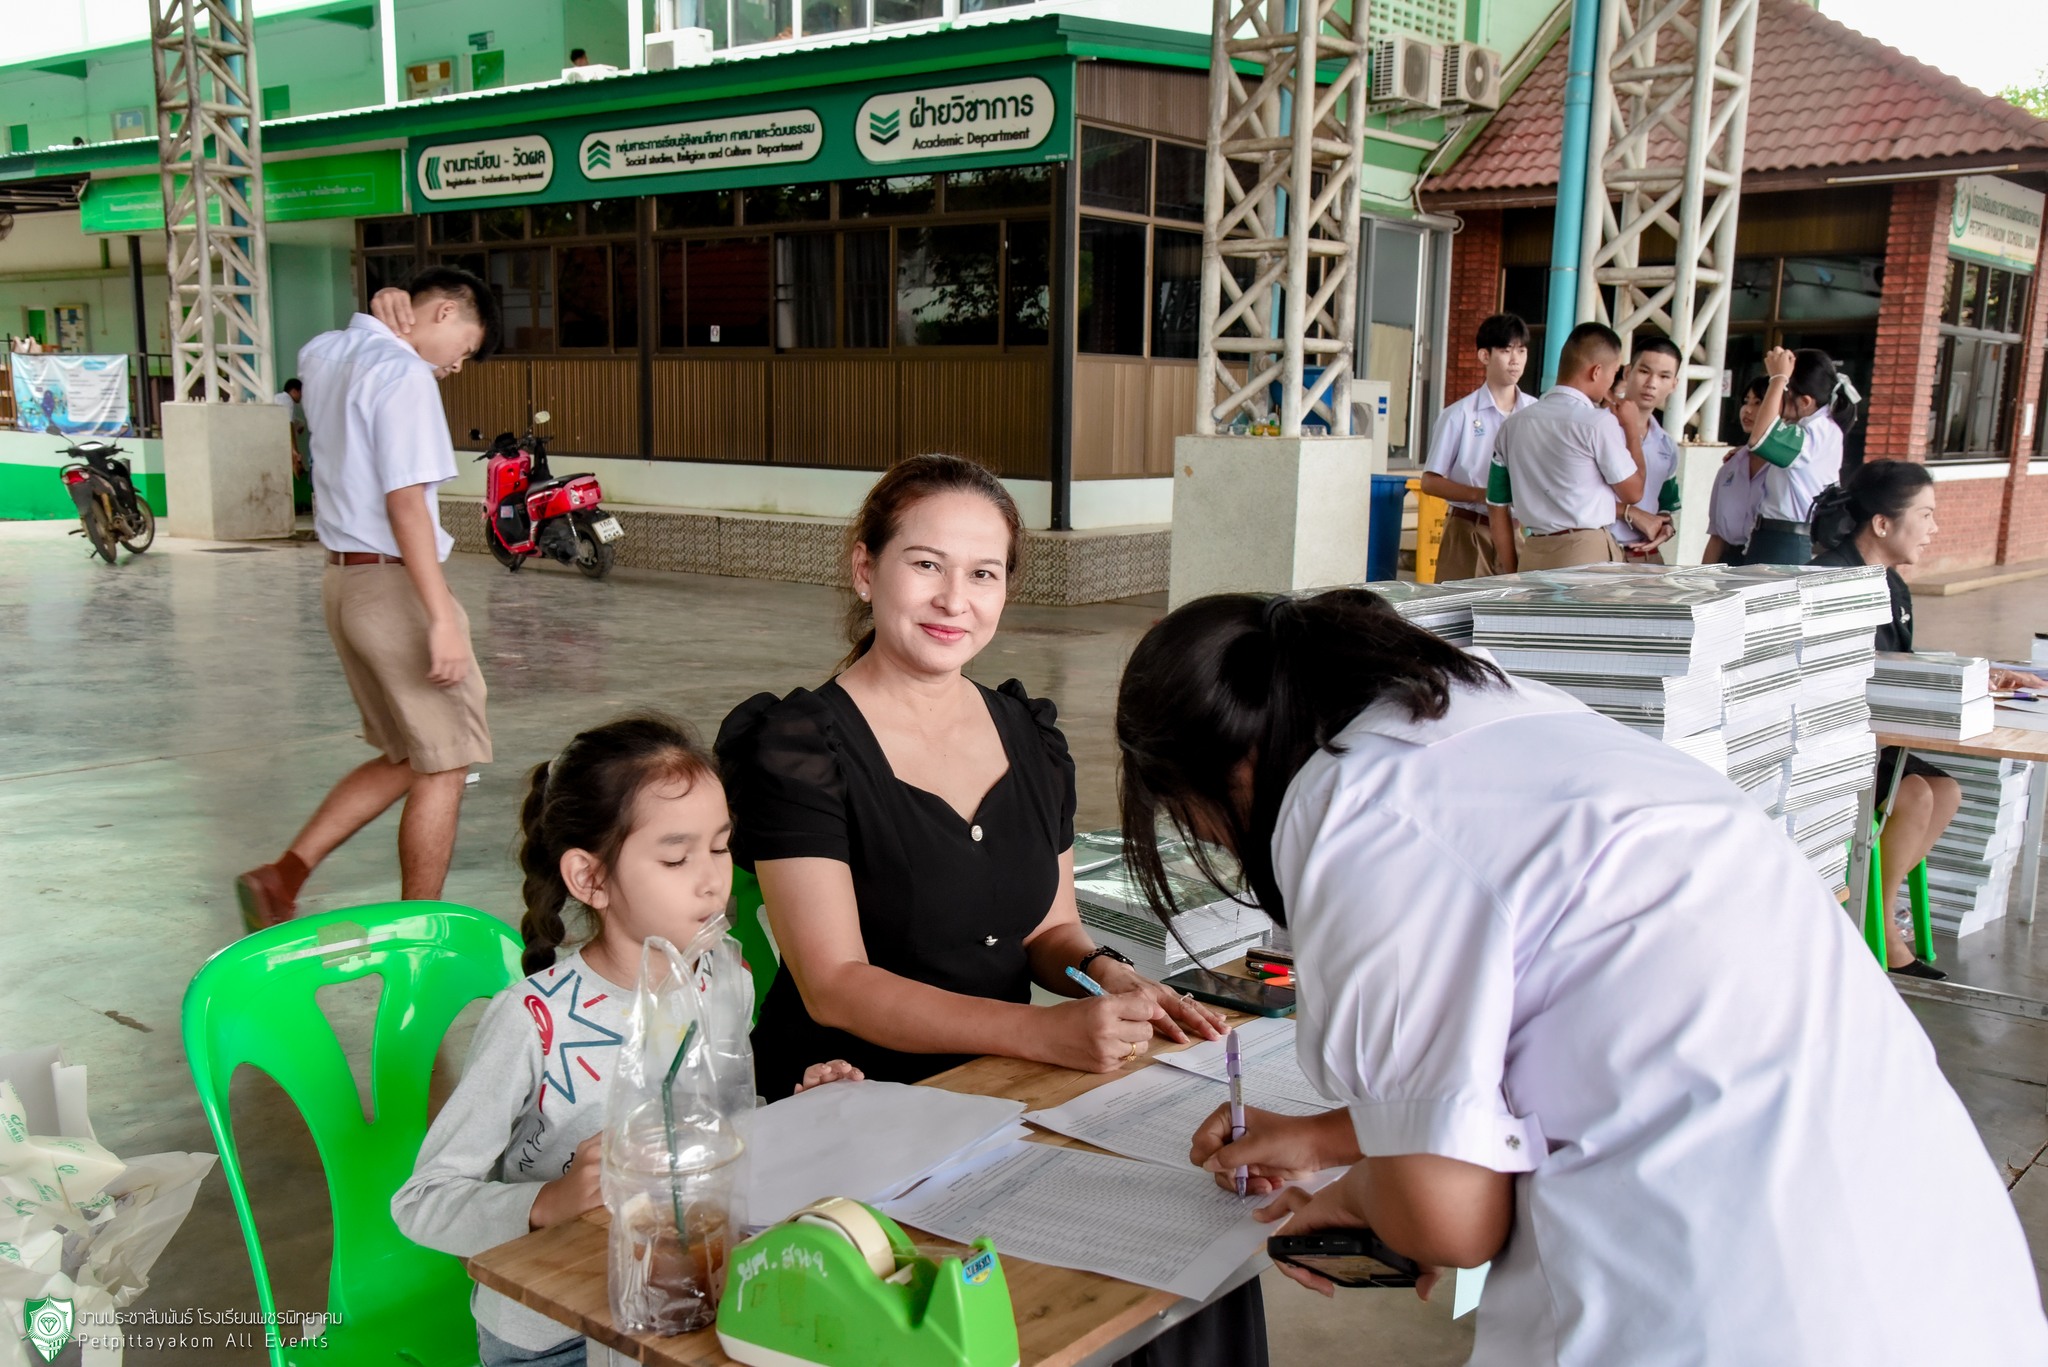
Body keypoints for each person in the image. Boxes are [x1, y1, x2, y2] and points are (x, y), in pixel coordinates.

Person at [1109, 590, 2048, 1366]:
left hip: (1721, 1310)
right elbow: (1557, 1021)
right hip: (1934, 1263)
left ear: (1207, 784)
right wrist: (1323, 1135)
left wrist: (1356, 1201)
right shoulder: (1516, 724)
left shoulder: (1357, 816)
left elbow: (1449, 1220)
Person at [717, 453, 1260, 1367]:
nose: (952, 599)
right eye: (924, 563)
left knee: (1193, 1269)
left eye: (984, 572)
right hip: (850, 1101)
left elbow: (1051, 929)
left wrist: (1114, 976)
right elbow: (836, 984)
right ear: (865, 569)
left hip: (1002, 1094)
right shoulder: (799, 744)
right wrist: (1046, 1036)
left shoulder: (1029, 735)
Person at [393, 714, 861, 1367]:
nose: (711, 880)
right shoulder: (533, 1020)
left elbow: (724, 1124)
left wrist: (800, 1111)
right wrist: (544, 1203)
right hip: (552, 1336)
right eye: (676, 856)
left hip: (687, 1298)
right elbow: (423, 1202)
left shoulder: (724, 977)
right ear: (590, 878)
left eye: (721, 846)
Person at [235, 267, 502, 930]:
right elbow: (405, 501)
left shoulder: (324, 354)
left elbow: (355, 338)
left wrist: (384, 312)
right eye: (464, 347)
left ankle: (283, 876)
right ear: (440, 313)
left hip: (342, 583)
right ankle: (419, 942)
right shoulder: (405, 375)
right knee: (446, 763)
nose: (457, 366)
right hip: (394, 584)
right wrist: (441, 617)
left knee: (406, 755)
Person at [1809, 461, 2044, 977]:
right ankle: (1881, 932)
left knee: (1947, 793)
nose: (1935, 529)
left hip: (1875, 736)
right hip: (1827, 743)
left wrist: (1982, 676)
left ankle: (1875, 908)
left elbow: (1901, 665)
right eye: (1927, 515)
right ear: (1883, 524)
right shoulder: (1827, 582)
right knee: (1914, 795)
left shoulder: (1891, 583)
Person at [1485, 322, 1648, 574]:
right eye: (1613, 374)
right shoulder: (1597, 422)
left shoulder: (1512, 425)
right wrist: (1632, 430)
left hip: (1534, 552)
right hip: (1586, 553)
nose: (1612, 384)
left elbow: (1497, 506)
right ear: (1596, 372)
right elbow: (1633, 492)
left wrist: (1512, 571)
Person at [1418, 312, 1537, 580]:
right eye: (1506, 350)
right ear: (1484, 356)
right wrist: (1484, 495)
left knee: (1514, 616)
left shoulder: (1536, 412)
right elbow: (1429, 482)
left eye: (1521, 350)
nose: (1516, 359)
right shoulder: (1459, 414)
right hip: (1469, 530)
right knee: (1461, 614)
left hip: (1519, 531)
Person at [1742, 346, 1857, 565]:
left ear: (1804, 402)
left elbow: (1761, 440)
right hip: (1774, 537)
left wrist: (1778, 378)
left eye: (1782, 391)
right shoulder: (1812, 427)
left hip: (1787, 541)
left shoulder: (1819, 430)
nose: (1773, 398)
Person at [1604, 338, 1682, 561]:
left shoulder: (1666, 444)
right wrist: (1631, 514)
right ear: (1627, 372)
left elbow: (1666, 504)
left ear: (1674, 384)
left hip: (1646, 556)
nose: (1652, 383)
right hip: (1600, 551)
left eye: (1664, 376)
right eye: (1645, 371)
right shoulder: (1598, 428)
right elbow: (1572, 495)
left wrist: (1665, 526)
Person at [1702, 376, 1770, 565]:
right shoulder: (1731, 465)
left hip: (1767, 563)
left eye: (1758, 403)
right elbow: (1716, 536)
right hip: (1728, 564)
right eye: (1746, 402)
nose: (1747, 410)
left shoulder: (1784, 469)